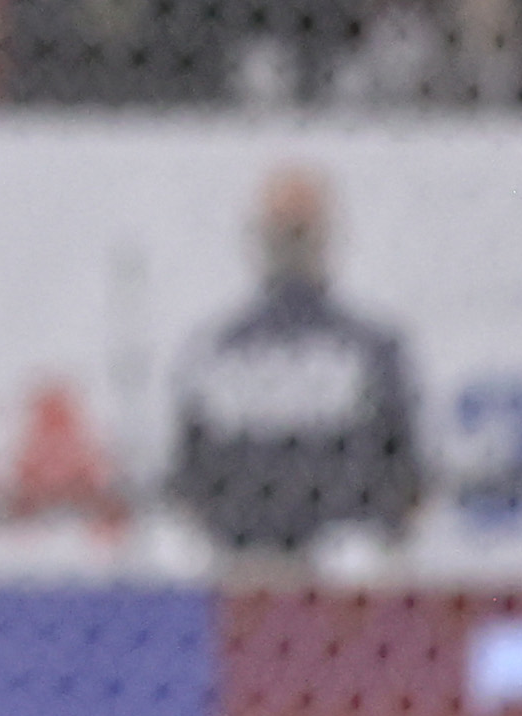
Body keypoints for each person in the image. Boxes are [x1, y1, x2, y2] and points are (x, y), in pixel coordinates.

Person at [168, 167, 424, 561]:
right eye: (282, 232)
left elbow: (407, 468)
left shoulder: (371, 347)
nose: (291, 246)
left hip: (344, 561)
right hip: (241, 560)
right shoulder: (215, 351)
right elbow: (188, 472)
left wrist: (378, 538)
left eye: (300, 232)